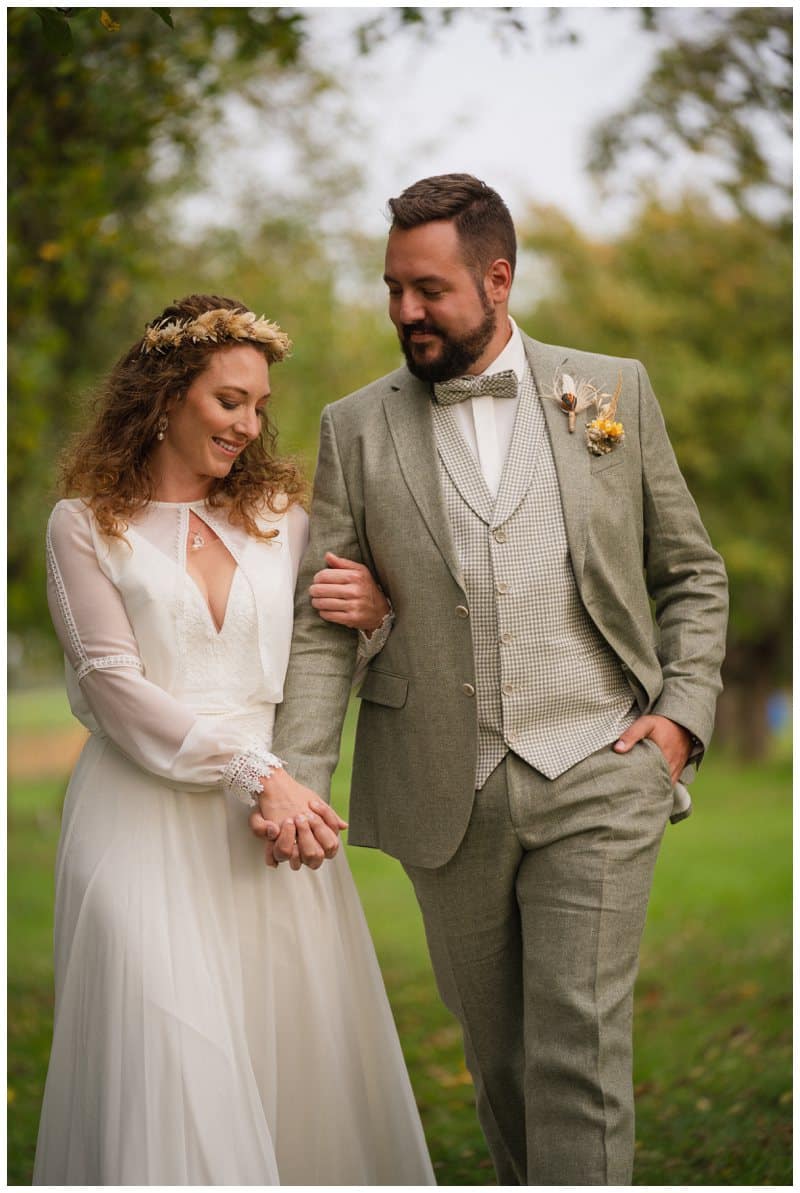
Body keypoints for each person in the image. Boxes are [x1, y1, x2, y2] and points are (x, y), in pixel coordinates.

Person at [256, 175, 729, 1185]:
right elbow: (324, 623)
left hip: (598, 766)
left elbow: (688, 571)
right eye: (391, 289)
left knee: (577, 1050)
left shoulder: (610, 390)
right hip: (442, 785)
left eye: (427, 289)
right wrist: (294, 773)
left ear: (498, 278)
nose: (404, 313)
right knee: (501, 1063)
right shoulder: (353, 426)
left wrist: (679, 720)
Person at [33, 294, 435, 1186]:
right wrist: (257, 772)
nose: (250, 425)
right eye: (228, 402)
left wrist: (370, 617)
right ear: (166, 395)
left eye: (259, 406)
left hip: (268, 832)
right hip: (139, 824)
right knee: (165, 1054)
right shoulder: (85, 524)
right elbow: (113, 687)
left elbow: (322, 666)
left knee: (285, 1056)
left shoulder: (283, 523)